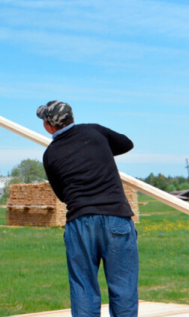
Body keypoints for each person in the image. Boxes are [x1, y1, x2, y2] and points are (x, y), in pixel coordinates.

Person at [36, 100, 139, 317]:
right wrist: (100, 152)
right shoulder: (94, 131)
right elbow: (126, 143)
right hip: (116, 219)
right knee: (124, 288)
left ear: (48, 126)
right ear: (72, 117)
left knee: (83, 288)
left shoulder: (50, 154)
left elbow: (62, 195)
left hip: (80, 222)